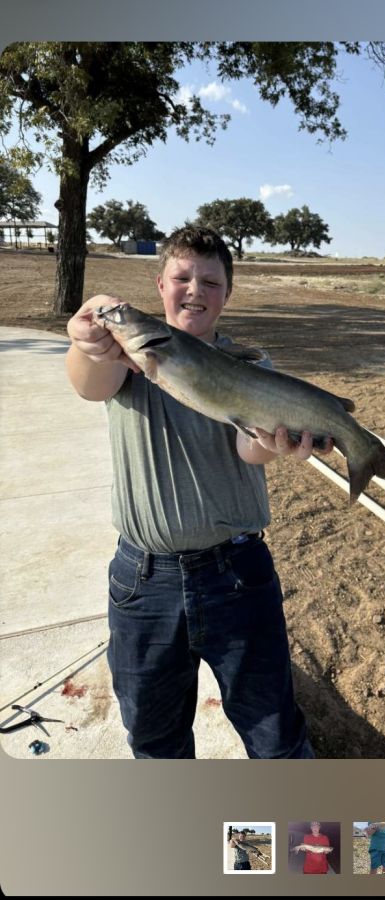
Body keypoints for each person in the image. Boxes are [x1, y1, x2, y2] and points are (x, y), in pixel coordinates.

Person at [65, 224, 334, 759]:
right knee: (156, 741)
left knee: (276, 738)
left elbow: (249, 450)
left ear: (227, 295)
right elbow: (89, 382)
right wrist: (90, 329)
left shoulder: (250, 367)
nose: (195, 290)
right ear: (159, 285)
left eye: (211, 282)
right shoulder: (127, 355)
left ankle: (295, 818)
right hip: (144, 581)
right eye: (182, 278)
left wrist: (274, 442)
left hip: (237, 574)